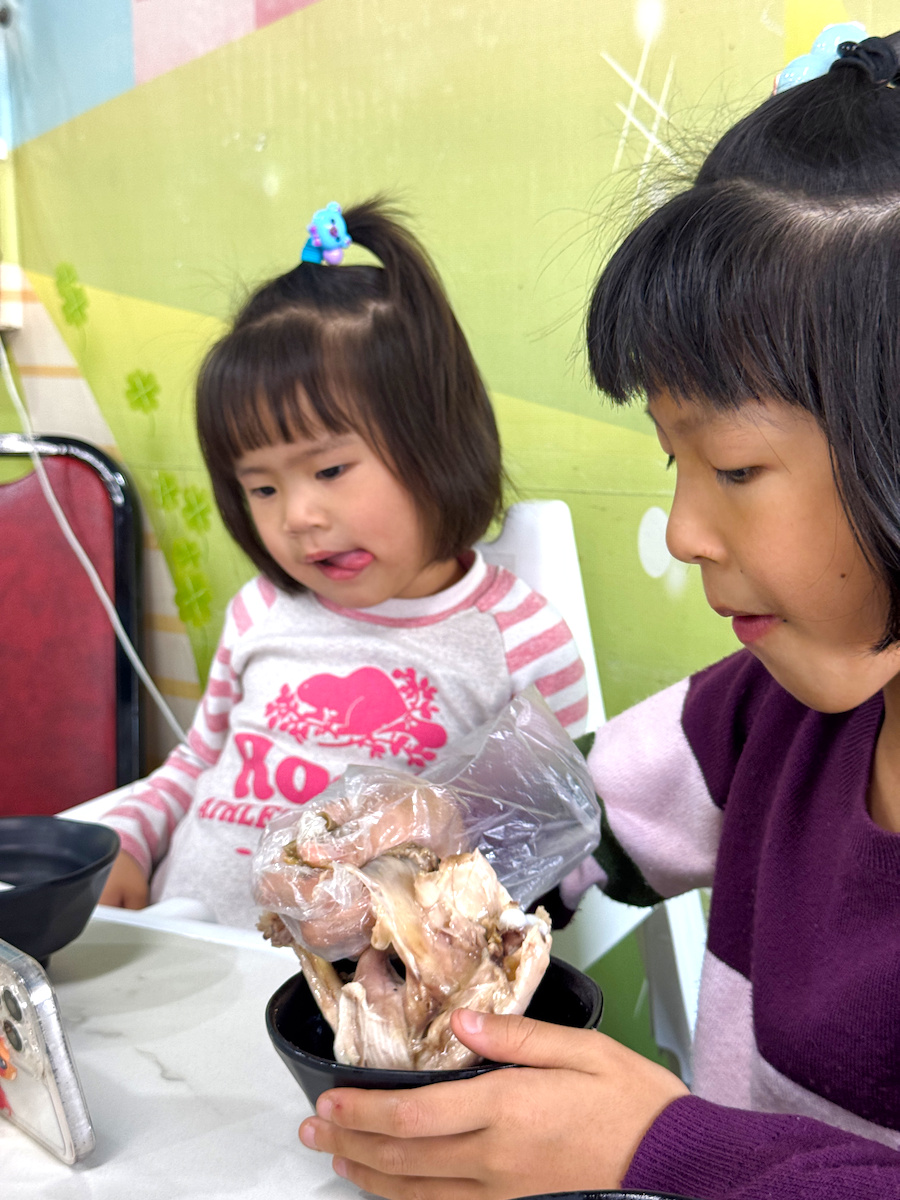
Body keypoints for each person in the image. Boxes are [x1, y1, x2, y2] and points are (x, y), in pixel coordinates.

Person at [289, 32, 900, 1200]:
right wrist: (425, 841)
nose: (682, 529)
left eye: (730, 468)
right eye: (674, 460)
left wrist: (655, 1144)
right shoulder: (766, 715)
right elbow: (574, 816)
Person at [97, 198, 588, 929]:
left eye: (329, 470)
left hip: (353, 1009)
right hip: (179, 950)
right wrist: (126, 844)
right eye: (262, 486)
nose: (297, 516)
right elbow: (197, 763)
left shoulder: (517, 636)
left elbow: (553, 826)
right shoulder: (262, 611)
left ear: (437, 440)